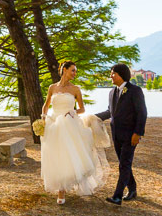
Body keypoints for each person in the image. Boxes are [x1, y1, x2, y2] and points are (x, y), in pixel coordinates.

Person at [39, 61, 111, 205]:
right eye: (72, 70)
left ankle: (63, 188)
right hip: (53, 124)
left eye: (75, 71)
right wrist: (43, 118)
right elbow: (46, 105)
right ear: (64, 70)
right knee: (56, 155)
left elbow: (82, 109)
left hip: (70, 123)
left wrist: (73, 112)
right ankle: (60, 186)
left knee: (69, 153)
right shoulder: (52, 87)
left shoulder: (76, 89)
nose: (75, 73)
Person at [95, 63, 147, 204]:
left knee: (124, 164)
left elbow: (142, 113)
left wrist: (138, 133)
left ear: (121, 75)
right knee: (124, 163)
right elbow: (109, 112)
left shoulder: (135, 91)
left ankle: (117, 196)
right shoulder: (112, 92)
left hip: (131, 135)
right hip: (116, 135)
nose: (111, 76)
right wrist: (92, 118)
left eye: (113, 73)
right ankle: (133, 189)